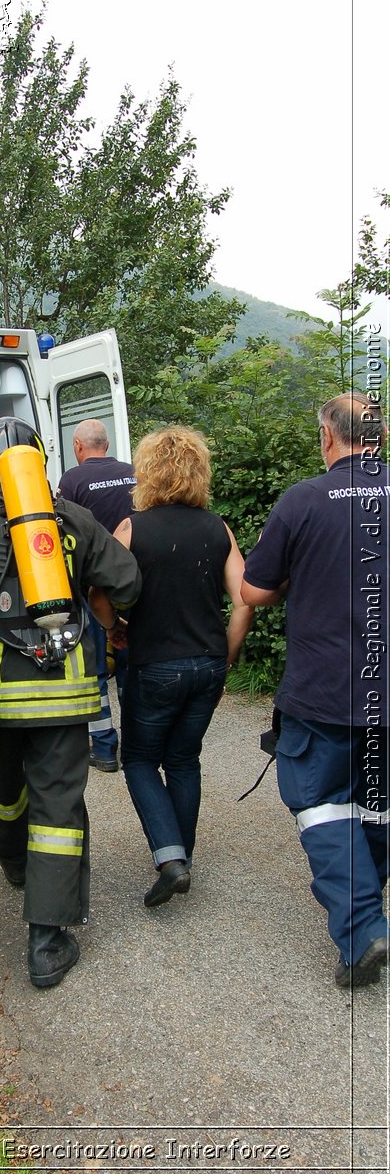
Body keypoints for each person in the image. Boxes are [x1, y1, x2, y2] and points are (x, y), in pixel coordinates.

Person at [0, 417, 141, 987]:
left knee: (1, 792)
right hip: (65, 691)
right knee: (57, 810)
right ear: (40, 461)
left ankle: (13, 861)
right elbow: (125, 583)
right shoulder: (71, 520)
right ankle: (47, 943)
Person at [241, 392, 389, 987]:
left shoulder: (303, 500)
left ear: (329, 437)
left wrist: (296, 579)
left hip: (324, 690)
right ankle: (368, 906)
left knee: (321, 803)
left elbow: (253, 591)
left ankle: (362, 930)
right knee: (377, 804)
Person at [113, 427, 252, 907]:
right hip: (208, 662)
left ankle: (170, 861)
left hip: (154, 664)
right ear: (199, 472)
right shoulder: (219, 528)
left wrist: (114, 629)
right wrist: (228, 652)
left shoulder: (132, 529)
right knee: (183, 759)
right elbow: (245, 599)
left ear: (146, 472)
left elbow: (99, 592)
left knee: (137, 758)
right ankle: (181, 858)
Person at [58, 419, 136, 771]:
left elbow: (65, 531)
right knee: (132, 663)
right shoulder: (134, 472)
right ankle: (138, 745)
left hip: (91, 588)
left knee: (95, 671)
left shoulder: (72, 481)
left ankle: (104, 748)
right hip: (133, 583)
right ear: (106, 443)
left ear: (78, 446)